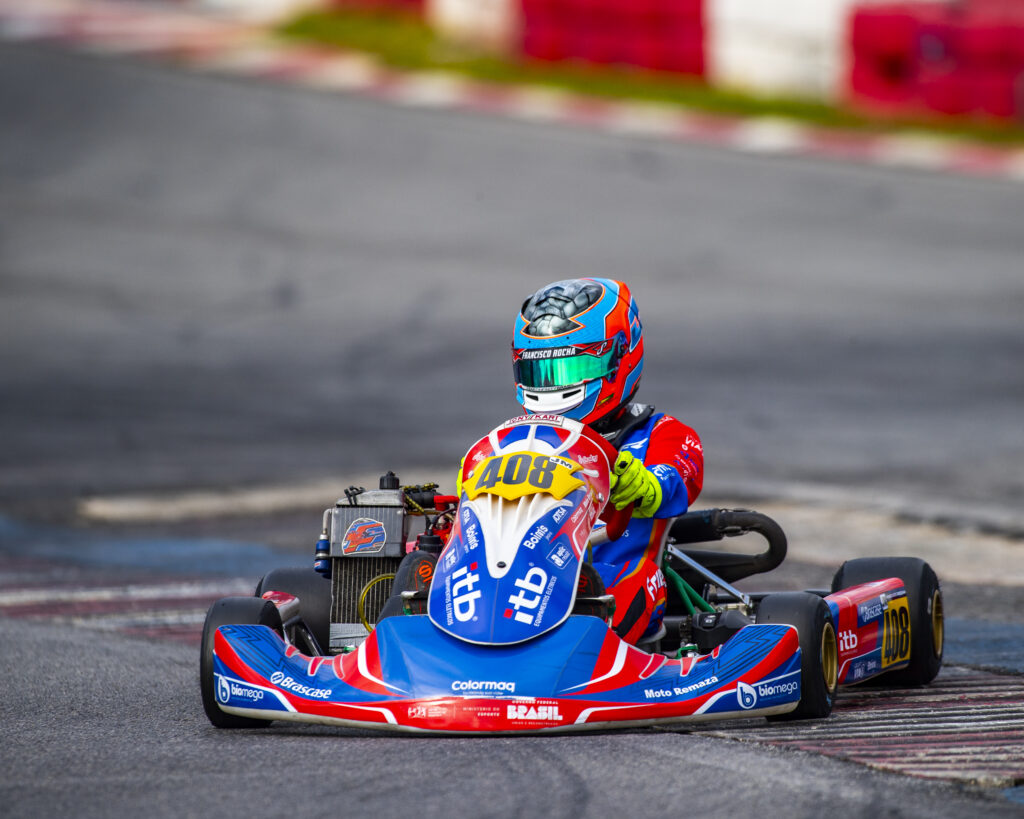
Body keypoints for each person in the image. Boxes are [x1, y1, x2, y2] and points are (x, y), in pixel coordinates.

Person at [512, 278, 703, 644]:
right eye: (541, 373)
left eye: (570, 371)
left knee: (626, 581)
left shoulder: (663, 434)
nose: (553, 386)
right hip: (520, 579)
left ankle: (584, 658)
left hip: (611, 574)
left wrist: (645, 484)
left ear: (620, 357)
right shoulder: (518, 440)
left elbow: (677, 478)